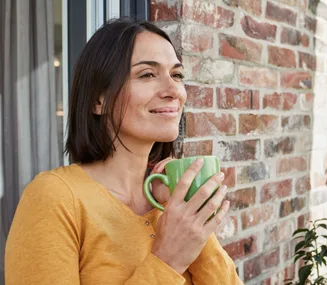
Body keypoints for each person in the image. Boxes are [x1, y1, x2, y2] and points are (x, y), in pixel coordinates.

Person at [5, 17, 243, 285]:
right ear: (99, 100)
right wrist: (167, 260)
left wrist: (191, 221)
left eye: (176, 75)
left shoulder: (166, 202)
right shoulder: (55, 198)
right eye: (147, 74)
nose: (173, 90)